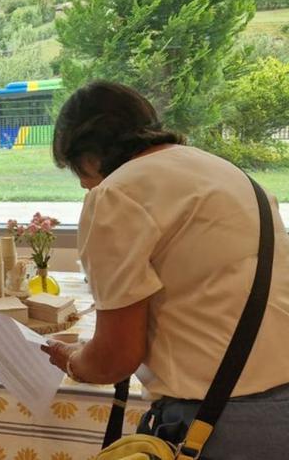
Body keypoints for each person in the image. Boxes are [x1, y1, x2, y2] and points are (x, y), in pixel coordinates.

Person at [40, 81, 289, 458]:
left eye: (78, 172)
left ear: (88, 154)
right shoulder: (229, 174)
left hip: (219, 422)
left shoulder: (116, 193)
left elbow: (116, 358)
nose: (83, 184)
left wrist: (75, 360)